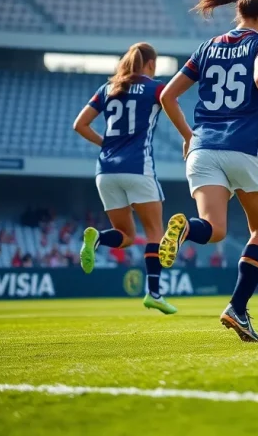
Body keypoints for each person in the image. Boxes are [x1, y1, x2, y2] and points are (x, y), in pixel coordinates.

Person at [157, 0, 258, 343]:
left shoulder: (207, 47)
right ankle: (237, 307)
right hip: (244, 147)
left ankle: (186, 229)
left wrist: (188, 135)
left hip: (203, 148)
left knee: (214, 229)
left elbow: (167, 96)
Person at [72, 42, 177, 315]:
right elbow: (171, 102)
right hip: (138, 168)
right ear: (151, 64)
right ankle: (154, 293)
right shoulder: (156, 88)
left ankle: (97, 240)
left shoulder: (107, 89)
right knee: (155, 232)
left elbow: (80, 125)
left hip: (105, 172)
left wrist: (105, 144)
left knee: (126, 235)